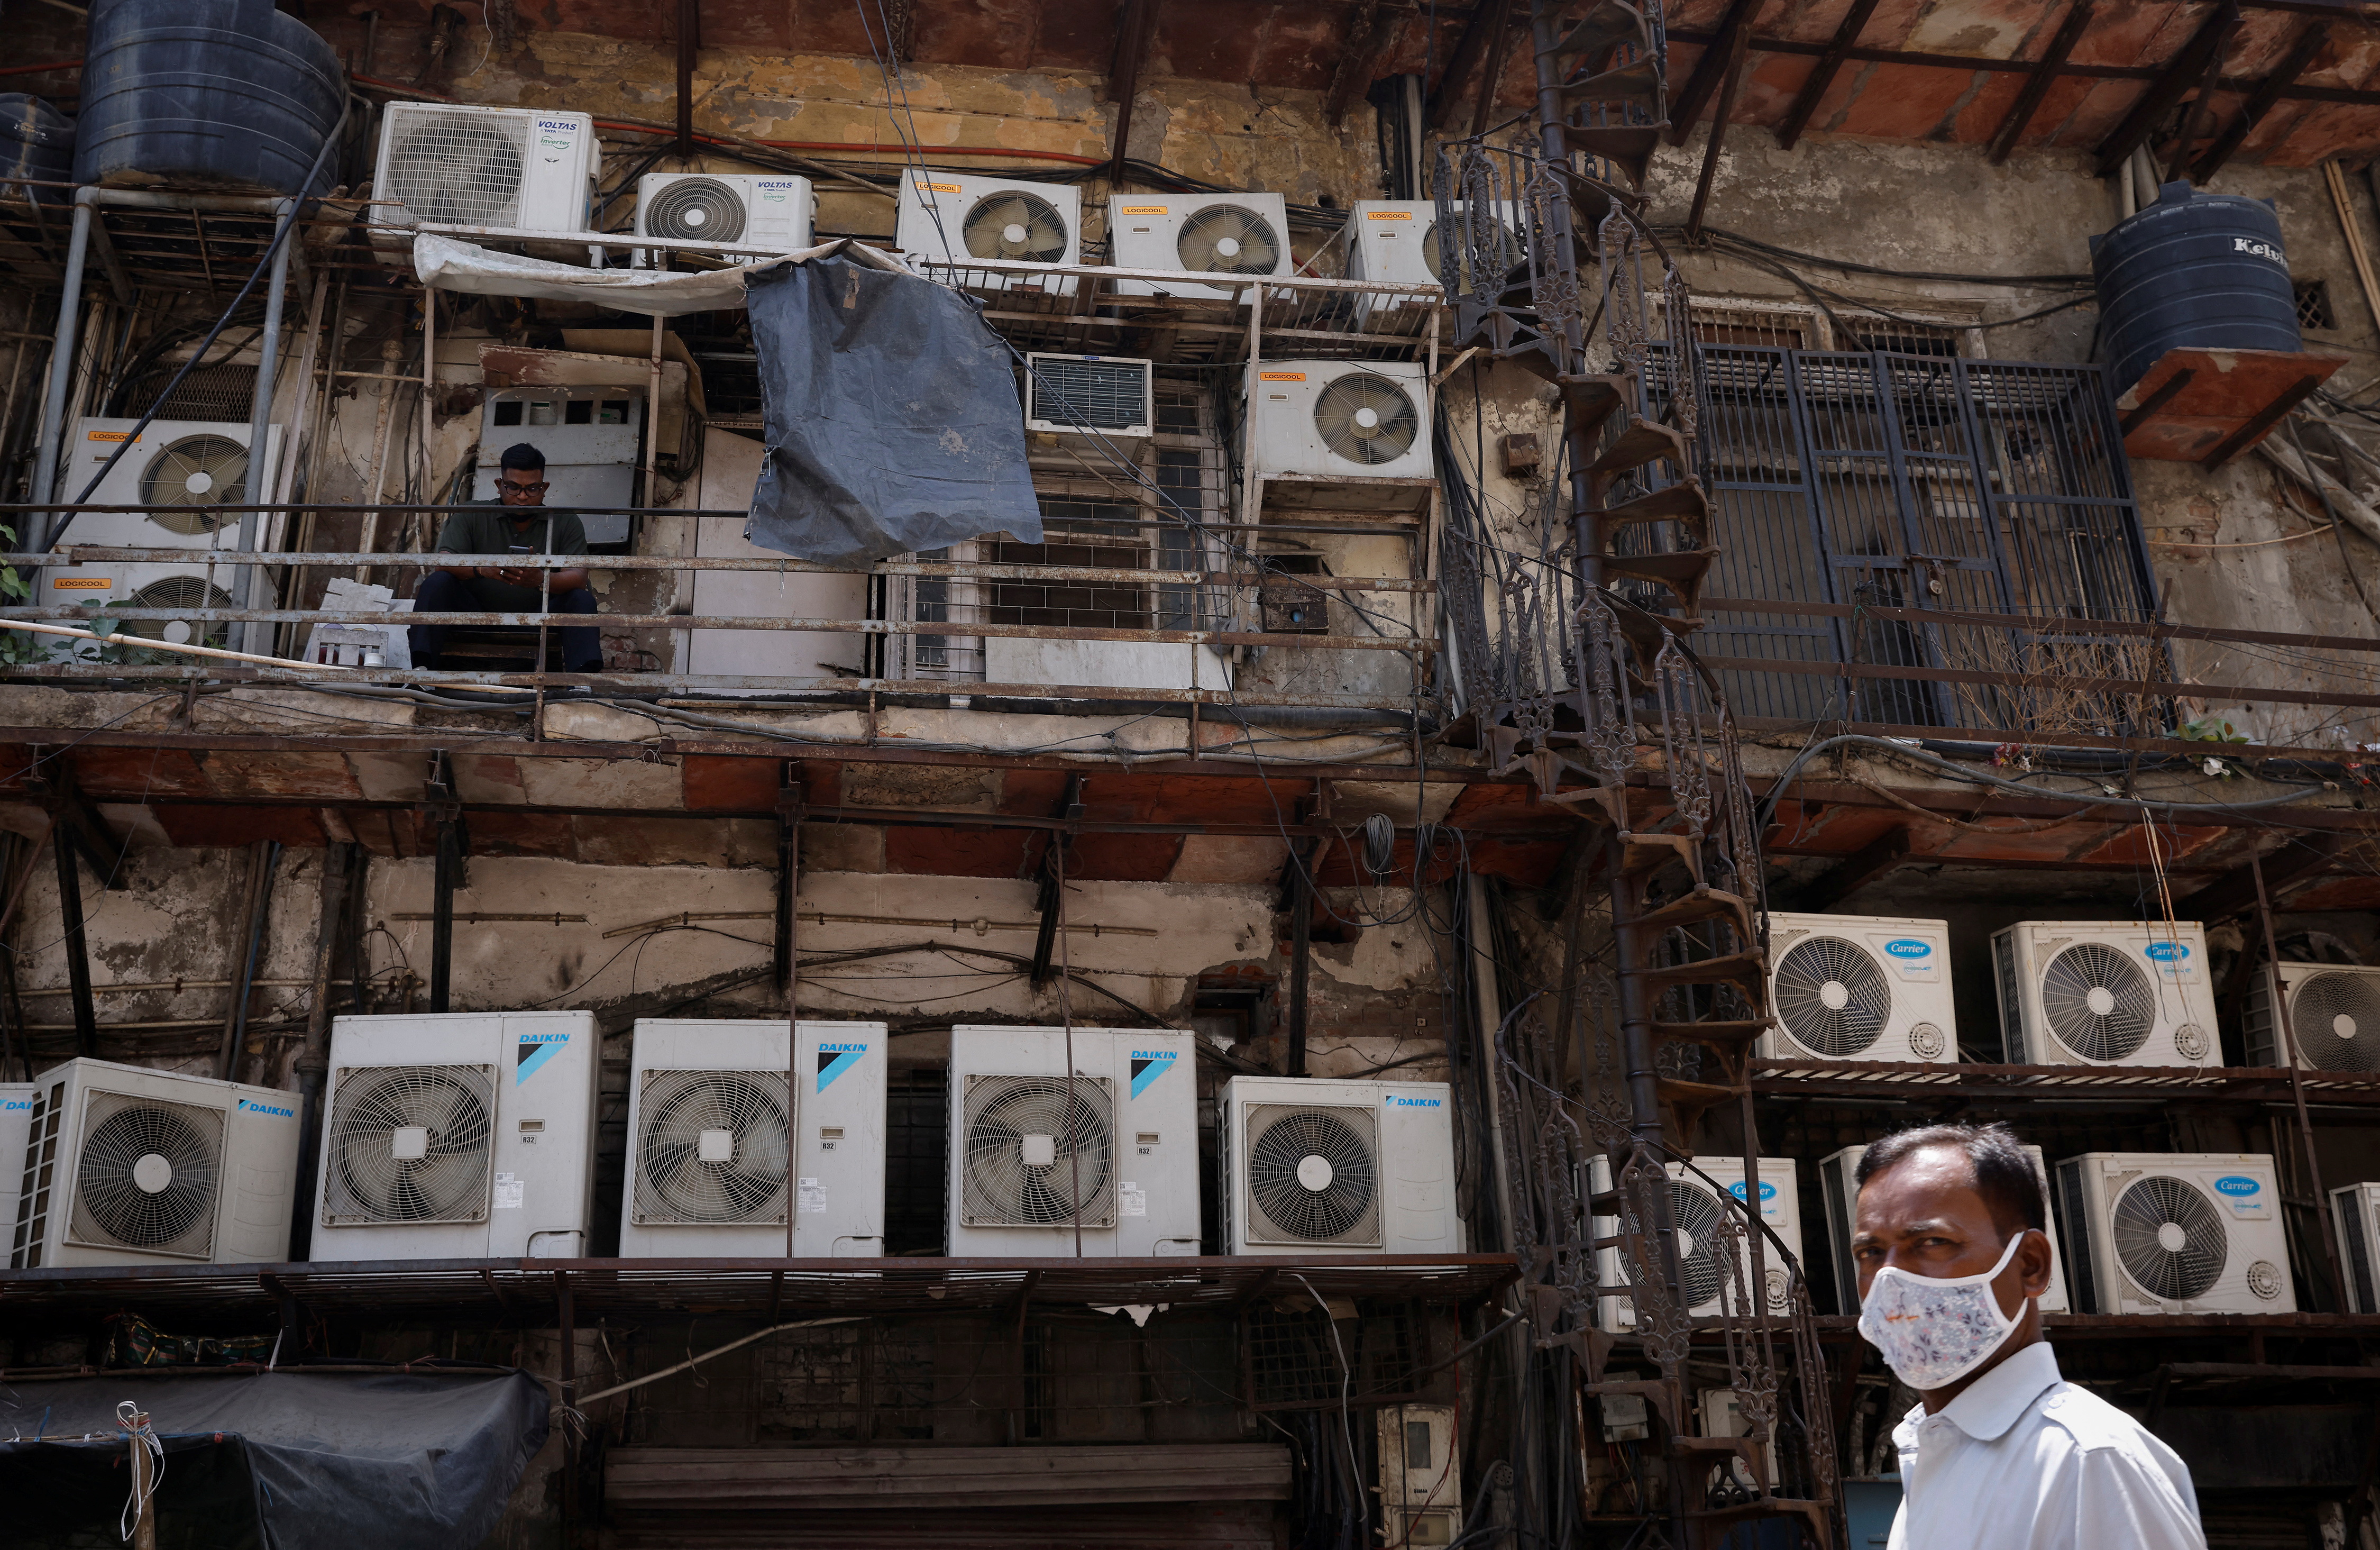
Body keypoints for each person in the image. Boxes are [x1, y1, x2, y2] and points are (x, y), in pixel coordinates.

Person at [1853, 1122, 2207, 1550]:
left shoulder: (2088, 1463)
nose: (1890, 1279)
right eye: (1871, 1253)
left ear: (2030, 1265)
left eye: (1931, 1242)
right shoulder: (1931, 1451)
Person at [409, 442, 602, 673]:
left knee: (581, 600)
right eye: (513, 488)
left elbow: (579, 577)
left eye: (532, 489)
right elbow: (443, 563)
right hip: (476, 616)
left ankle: (582, 683)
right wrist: (483, 569)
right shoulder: (471, 514)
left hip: (539, 620)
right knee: (437, 583)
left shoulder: (564, 521)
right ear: (499, 485)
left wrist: (540, 580)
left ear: (544, 488)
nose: (522, 497)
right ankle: (421, 671)